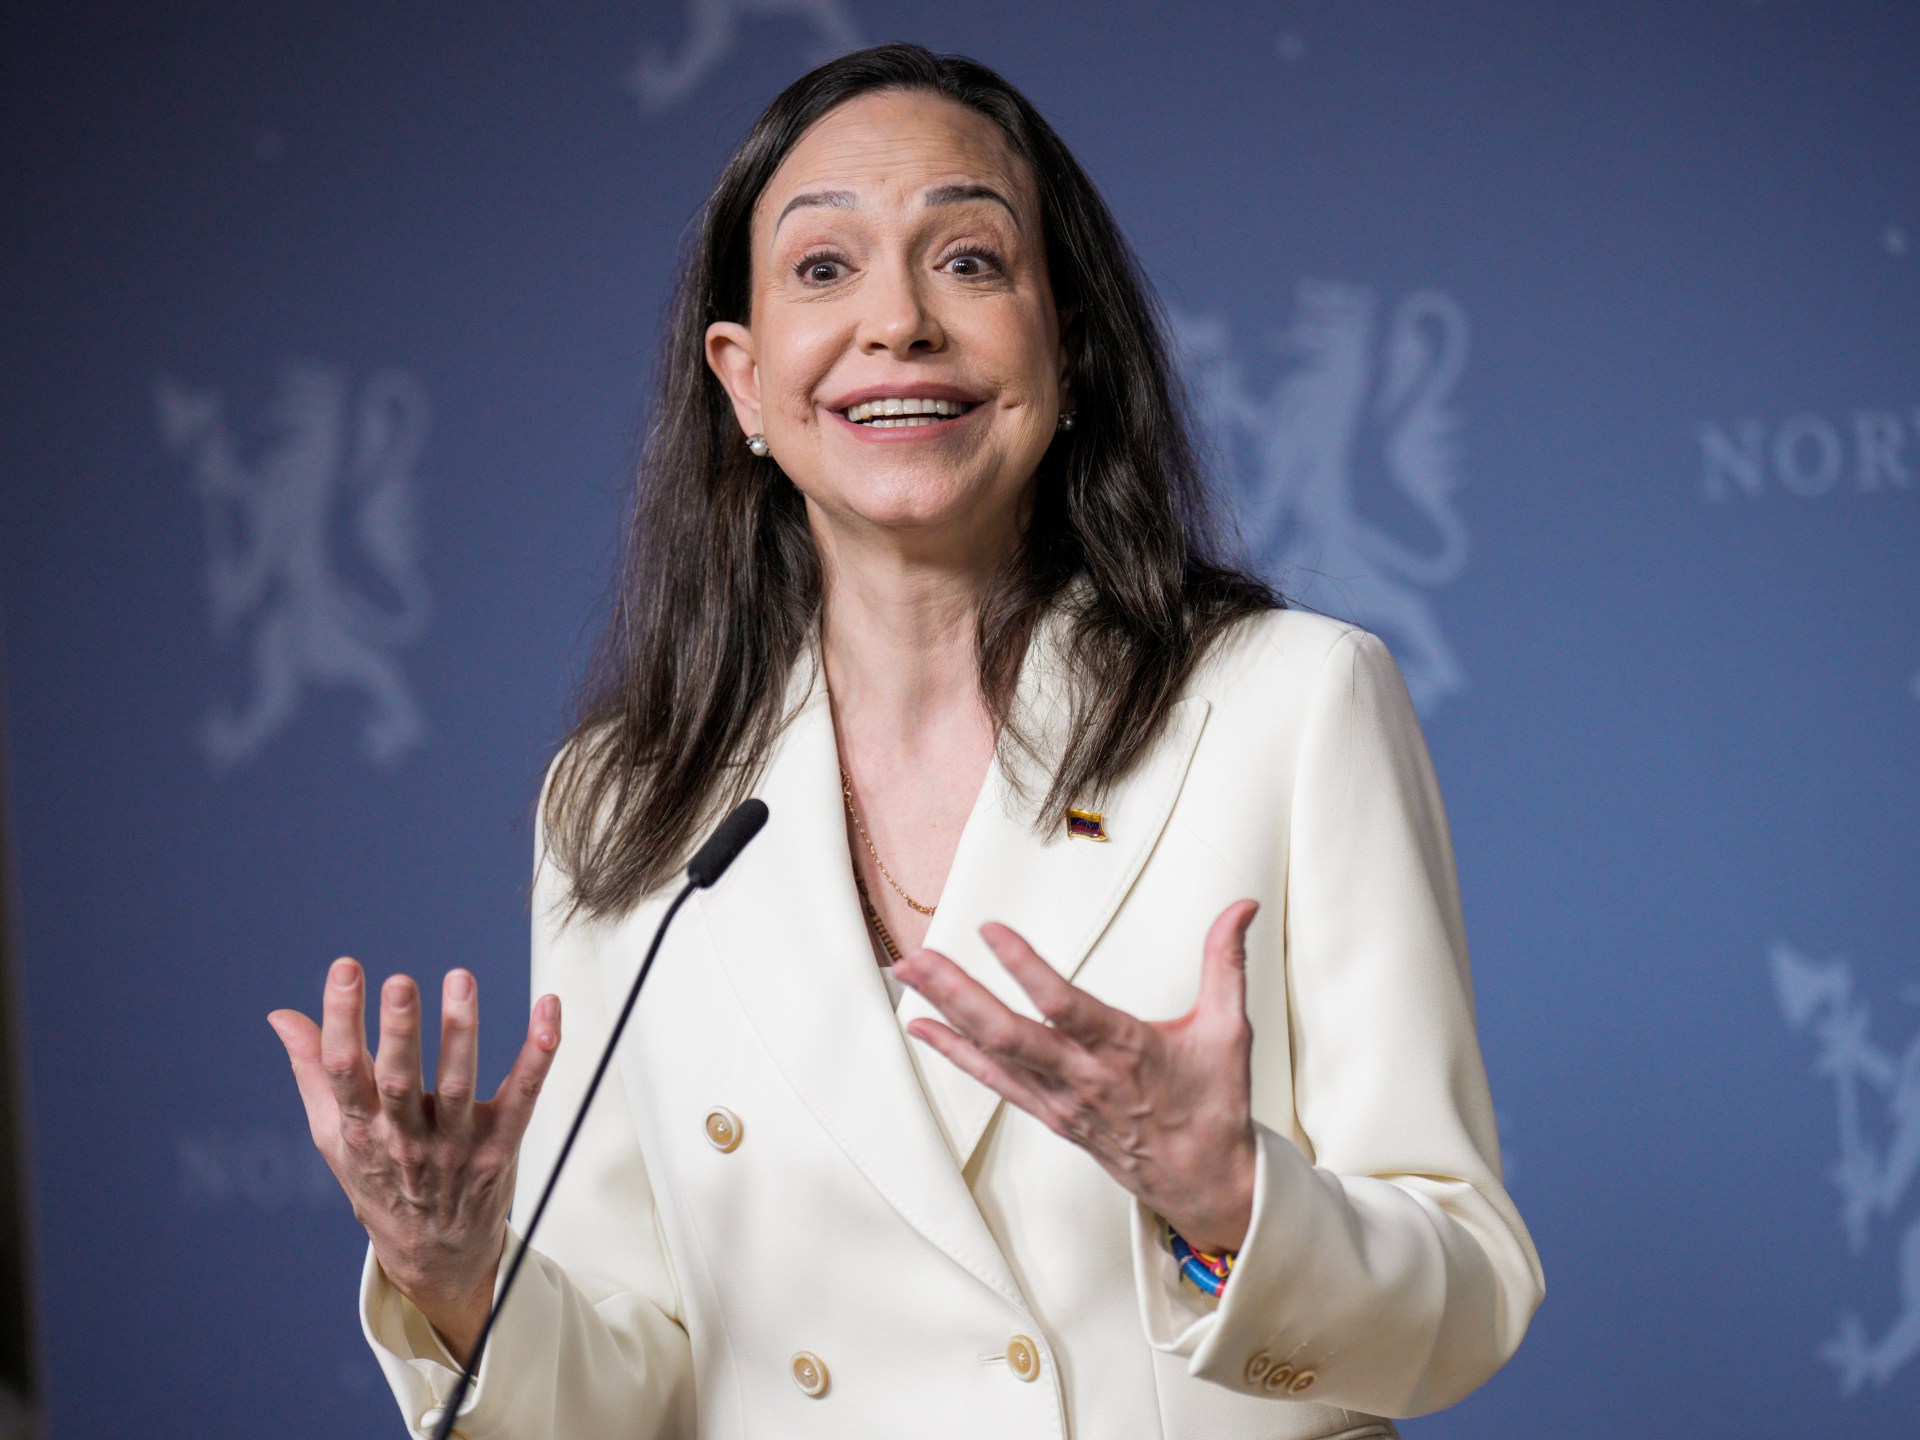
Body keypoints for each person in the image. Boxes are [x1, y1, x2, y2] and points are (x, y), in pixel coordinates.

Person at [269, 42, 1542, 1440]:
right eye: (824, 267)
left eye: (970, 261)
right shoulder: (623, 804)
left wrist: (1230, 1204)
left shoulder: (1290, 704)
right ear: (745, 383)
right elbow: (634, 1390)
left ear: (1067, 348)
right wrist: (457, 1283)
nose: (897, 323)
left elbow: (1469, 1291)